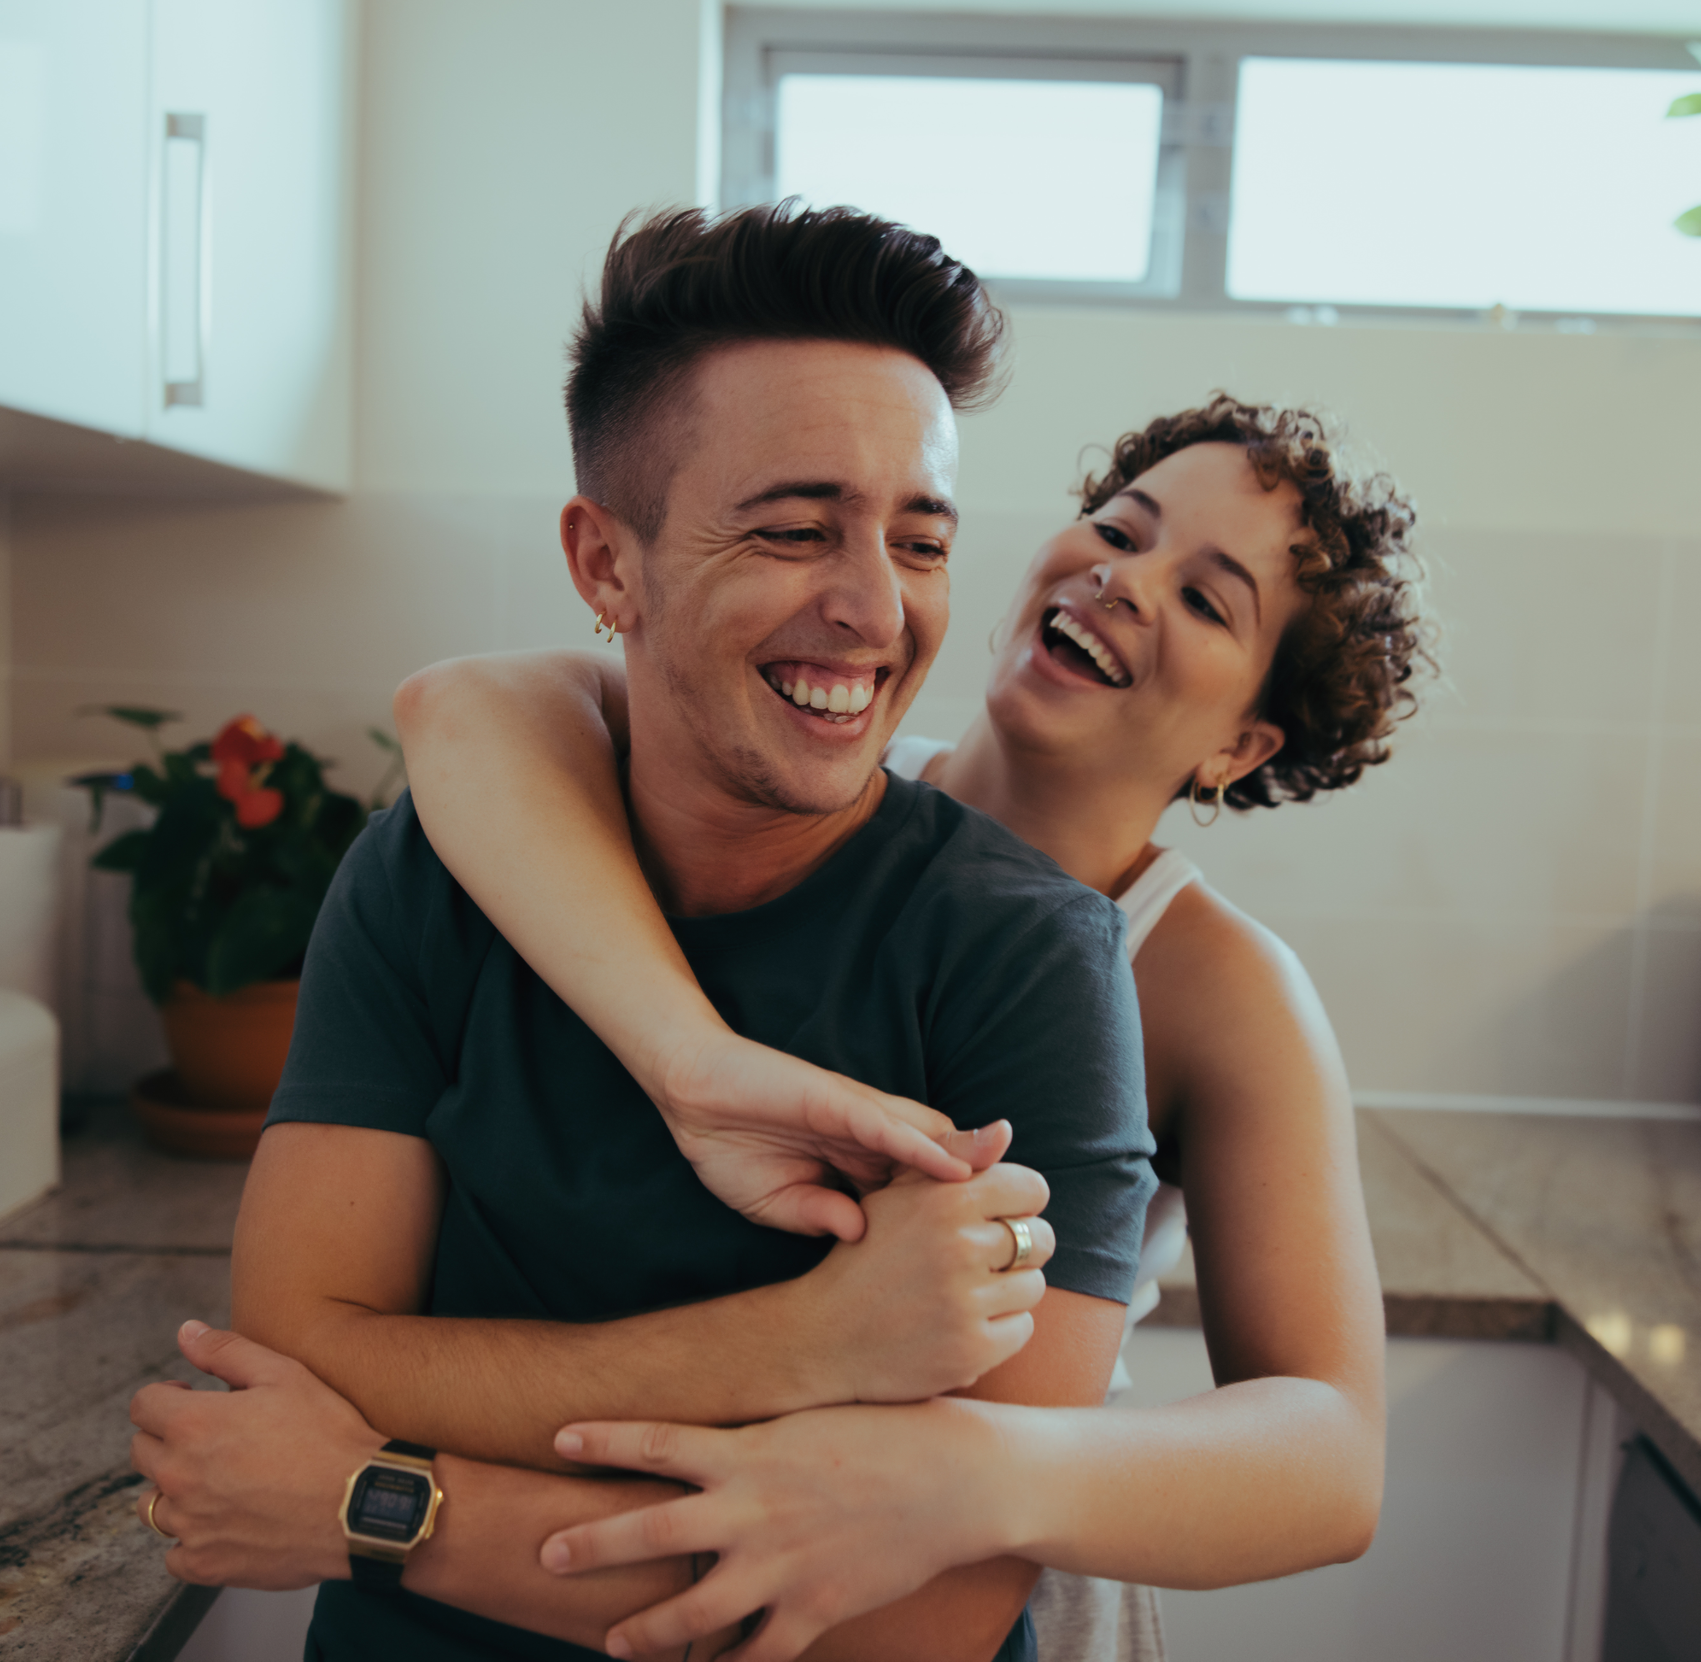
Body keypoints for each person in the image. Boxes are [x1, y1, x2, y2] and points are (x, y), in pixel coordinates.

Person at [130, 203, 1159, 1662]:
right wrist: (797, 1348)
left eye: (919, 542)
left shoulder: (1026, 959)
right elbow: (300, 1342)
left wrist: (380, 1503)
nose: (874, 609)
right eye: (798, 530)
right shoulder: (428, 876)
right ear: (607, 567)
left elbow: (925, 1620)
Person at [374, 389, 1429, 1661]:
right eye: (1119, 528)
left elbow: (1330, 1455)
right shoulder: (809, 761)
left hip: (970, 1582)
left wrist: (973, 1468)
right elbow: (467, 710)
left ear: (1241, 743)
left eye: (1207, 599)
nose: (1124, 582)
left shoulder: (1221, 990)